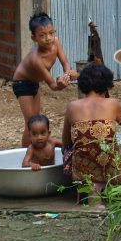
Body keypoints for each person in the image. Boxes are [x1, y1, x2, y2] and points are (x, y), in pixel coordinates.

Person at [62, 63, 121, 211]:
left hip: (82, 168)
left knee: (77, 150)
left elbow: (66, 142)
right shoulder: (113, 104)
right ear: (107, 85)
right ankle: (115, 185)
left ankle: (92, 188)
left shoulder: (72, 106)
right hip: (111, 166)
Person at [12, 13, 78, 146]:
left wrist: (67, 74)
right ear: (34, 37)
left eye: (51, 33)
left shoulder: (56, 42)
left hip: (34, 83)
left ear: (54, 31)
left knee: (36, 119)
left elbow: (65, 62)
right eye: (42, 35)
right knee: (31, 123)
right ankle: (26, 153)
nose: (48, 38)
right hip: (21, 84)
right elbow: (53, 85)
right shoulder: (36, 58)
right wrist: (60, 85)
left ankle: (37, 149)